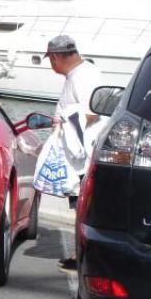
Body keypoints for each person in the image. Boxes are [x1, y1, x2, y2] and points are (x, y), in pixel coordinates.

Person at [45, 35, 105, 274]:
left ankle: (83, 256)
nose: (51, 64)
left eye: (51, 58)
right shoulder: (77, 75)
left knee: (83, 205)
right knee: (78, 205)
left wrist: (63, 124)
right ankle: (80, 253)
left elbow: (92, 113)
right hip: (77, 153)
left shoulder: (84, 76)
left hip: (83, 153)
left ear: (57, 57)